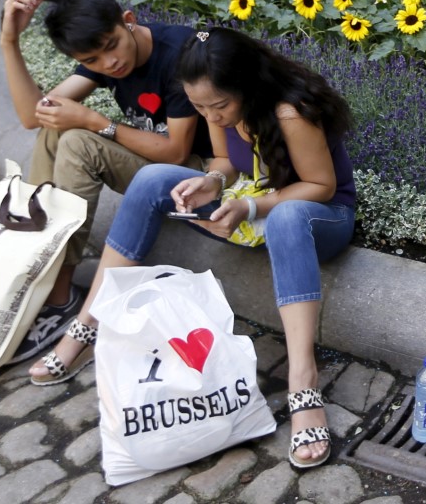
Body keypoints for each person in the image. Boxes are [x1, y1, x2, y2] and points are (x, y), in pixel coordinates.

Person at [29, 27, 356, 469]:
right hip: (253, 205)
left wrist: (248, 205)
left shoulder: (289, 111)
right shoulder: (215, 108)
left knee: (286, 217)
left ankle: (303, 381)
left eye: (218, 106)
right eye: (199, 106)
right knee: (151, 179)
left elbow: (320, 185)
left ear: (248, 85)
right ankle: (88, 324)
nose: (211, 116)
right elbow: (224, 162)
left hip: (316, 217)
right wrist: (211, 182)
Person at [0, 0, 211, 364]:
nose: (109, 63)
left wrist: (97, 122)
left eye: (112, 45)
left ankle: (59, 297)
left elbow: (178, 152)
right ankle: (45, 272)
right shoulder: (104, 58)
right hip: (153, 165)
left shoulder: (179, 54)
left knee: (81, 140)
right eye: (92, 59)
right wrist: (9, 40)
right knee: (55, 130)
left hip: (197, 175)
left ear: (128, 21)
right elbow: (33, 115)